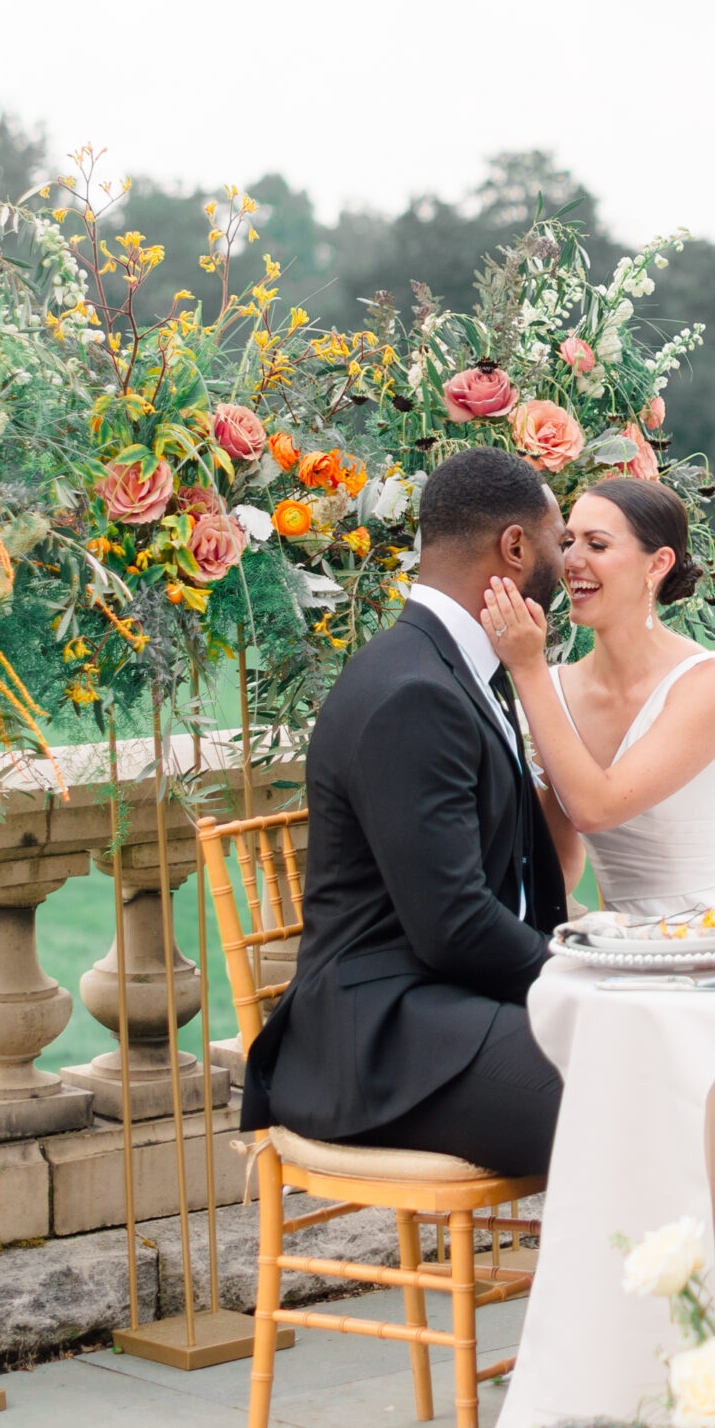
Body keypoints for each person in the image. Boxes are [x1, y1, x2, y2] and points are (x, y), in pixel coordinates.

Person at [239, 447, 570, 1176]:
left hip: (451, 1006)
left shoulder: (452, 666)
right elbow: (452, 926)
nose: (565, 561)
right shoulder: (413, 691)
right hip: (382, 1042)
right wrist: (579, 979)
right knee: (627, 1093)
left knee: (662, 1066)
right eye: (560, 538)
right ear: (514, 548)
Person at [480, 474, 715, 916]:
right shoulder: (557, 690)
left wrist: (526, 668)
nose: (571, 561)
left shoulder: (712, 683)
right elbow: (561, 866)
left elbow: (596, 809)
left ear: (657, 564)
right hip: (621, 944)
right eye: (567, 542)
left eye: (597, 545)